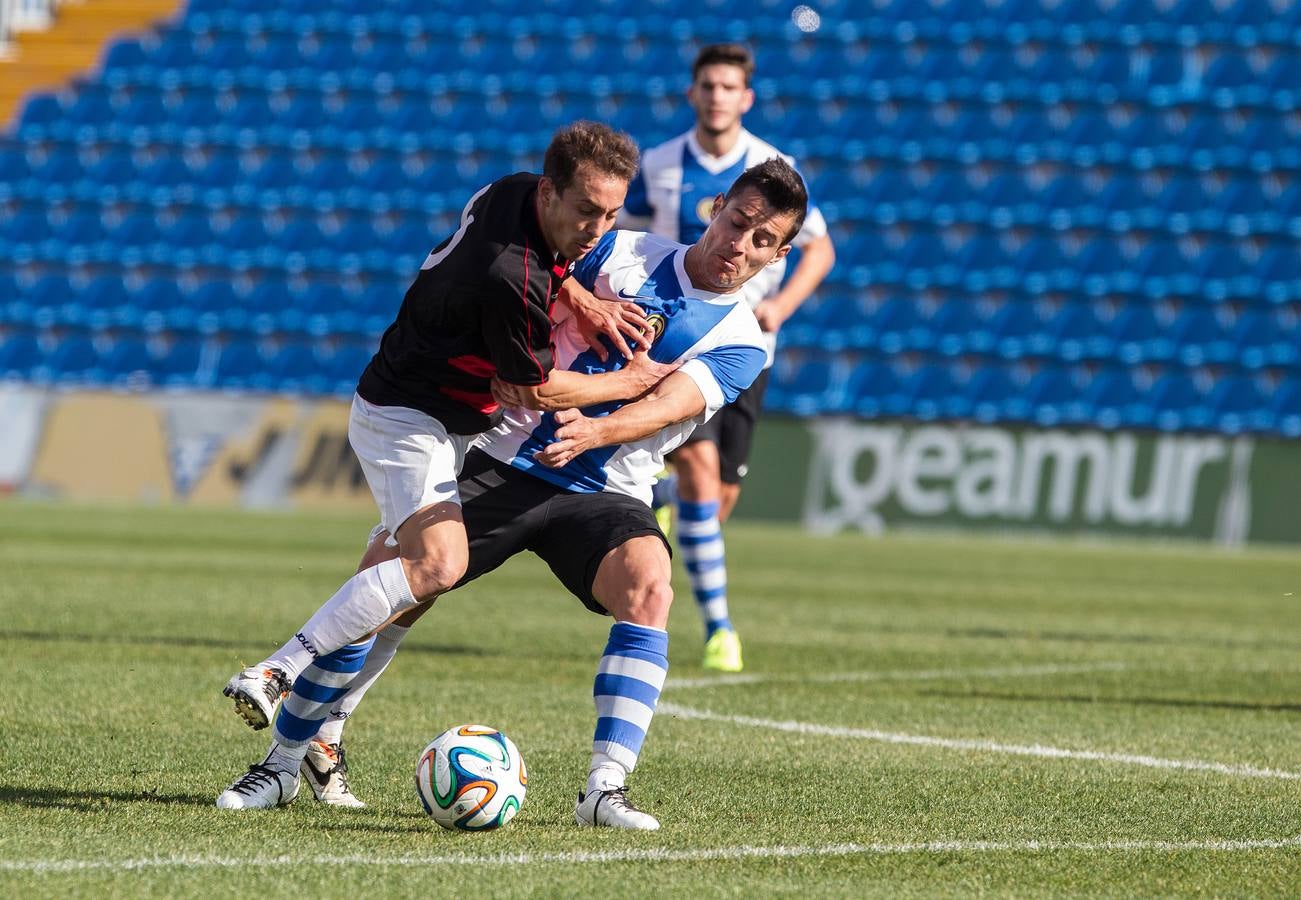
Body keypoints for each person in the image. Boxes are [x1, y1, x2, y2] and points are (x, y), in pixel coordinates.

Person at [217, 159, 809, 829]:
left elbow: (668, 403)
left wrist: (600, 428)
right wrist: (585, 339)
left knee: (649, 587)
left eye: (762, 240)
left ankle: (603, 791)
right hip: (495, 455)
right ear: (715, 209)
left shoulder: (742, 340)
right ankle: (283, 764)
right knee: (389, 592)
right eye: (737, 222)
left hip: (602, 486)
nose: (740, 245)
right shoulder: (617, 250)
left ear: (780, 254)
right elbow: (519, 359)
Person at [216, 120, 672, 775]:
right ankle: (276, 671)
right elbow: (528, 390)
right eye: (584, 211)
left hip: (456, 421)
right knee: (436, 565)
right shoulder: (508, 276)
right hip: (409, 416)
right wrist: (629, 383)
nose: (596, 229)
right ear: (549, 192)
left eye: (609, 213)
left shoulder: (511, 191)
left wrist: (579, 297)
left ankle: (314, 744)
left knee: (400, 581)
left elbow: (552, 266)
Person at [621, 43, 836, 673]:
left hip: (749, 347)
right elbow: (621, 235)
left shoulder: (774, 171)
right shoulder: (658, 165)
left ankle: (657, 495)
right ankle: (721, 629)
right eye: (707, 85)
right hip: (683, 341)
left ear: (746, 98)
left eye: (728, 87)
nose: (716, 95)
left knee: (716, 500)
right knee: (699, 465)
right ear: (693, 93)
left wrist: (781, 308)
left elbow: (820, 249)